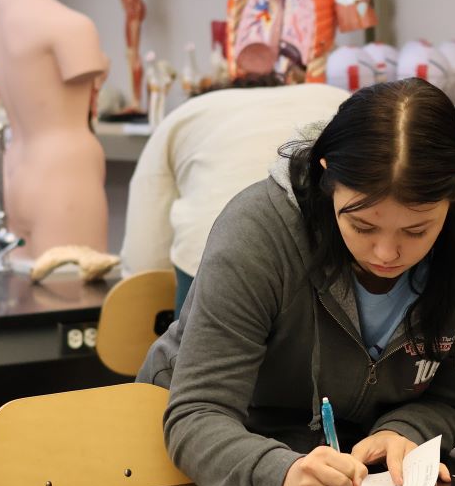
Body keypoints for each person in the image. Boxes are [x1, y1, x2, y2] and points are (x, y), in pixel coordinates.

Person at [142, 78, 455, 486]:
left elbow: (452, 402)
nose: (386, 253)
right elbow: (197, 415)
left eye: (417, 230)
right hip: (220, 479)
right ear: (326, 179)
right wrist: (280, 471)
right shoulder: (259, 235)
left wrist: (404, 430)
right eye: (362, 226)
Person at [120, 74, 348, 317]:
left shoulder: (185, 115)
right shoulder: (337, 98)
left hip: (212, 281)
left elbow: (144, 264)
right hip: (335, 279)